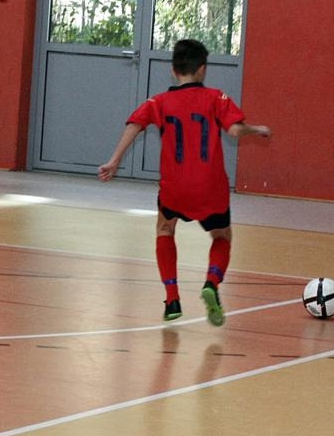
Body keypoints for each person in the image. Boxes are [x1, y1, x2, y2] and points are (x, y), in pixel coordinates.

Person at [98, 39, 270, 327]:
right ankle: (211, 282)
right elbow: (234, 130)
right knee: (222, 236)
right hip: (210, 187)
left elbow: (135, 125)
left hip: (174, 187)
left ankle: (172, 299)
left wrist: (114, 160)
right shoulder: (216, 98)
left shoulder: (159, 102)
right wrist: (258, 129)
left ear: (173, 70)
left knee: (165, 229)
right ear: (202, 69)